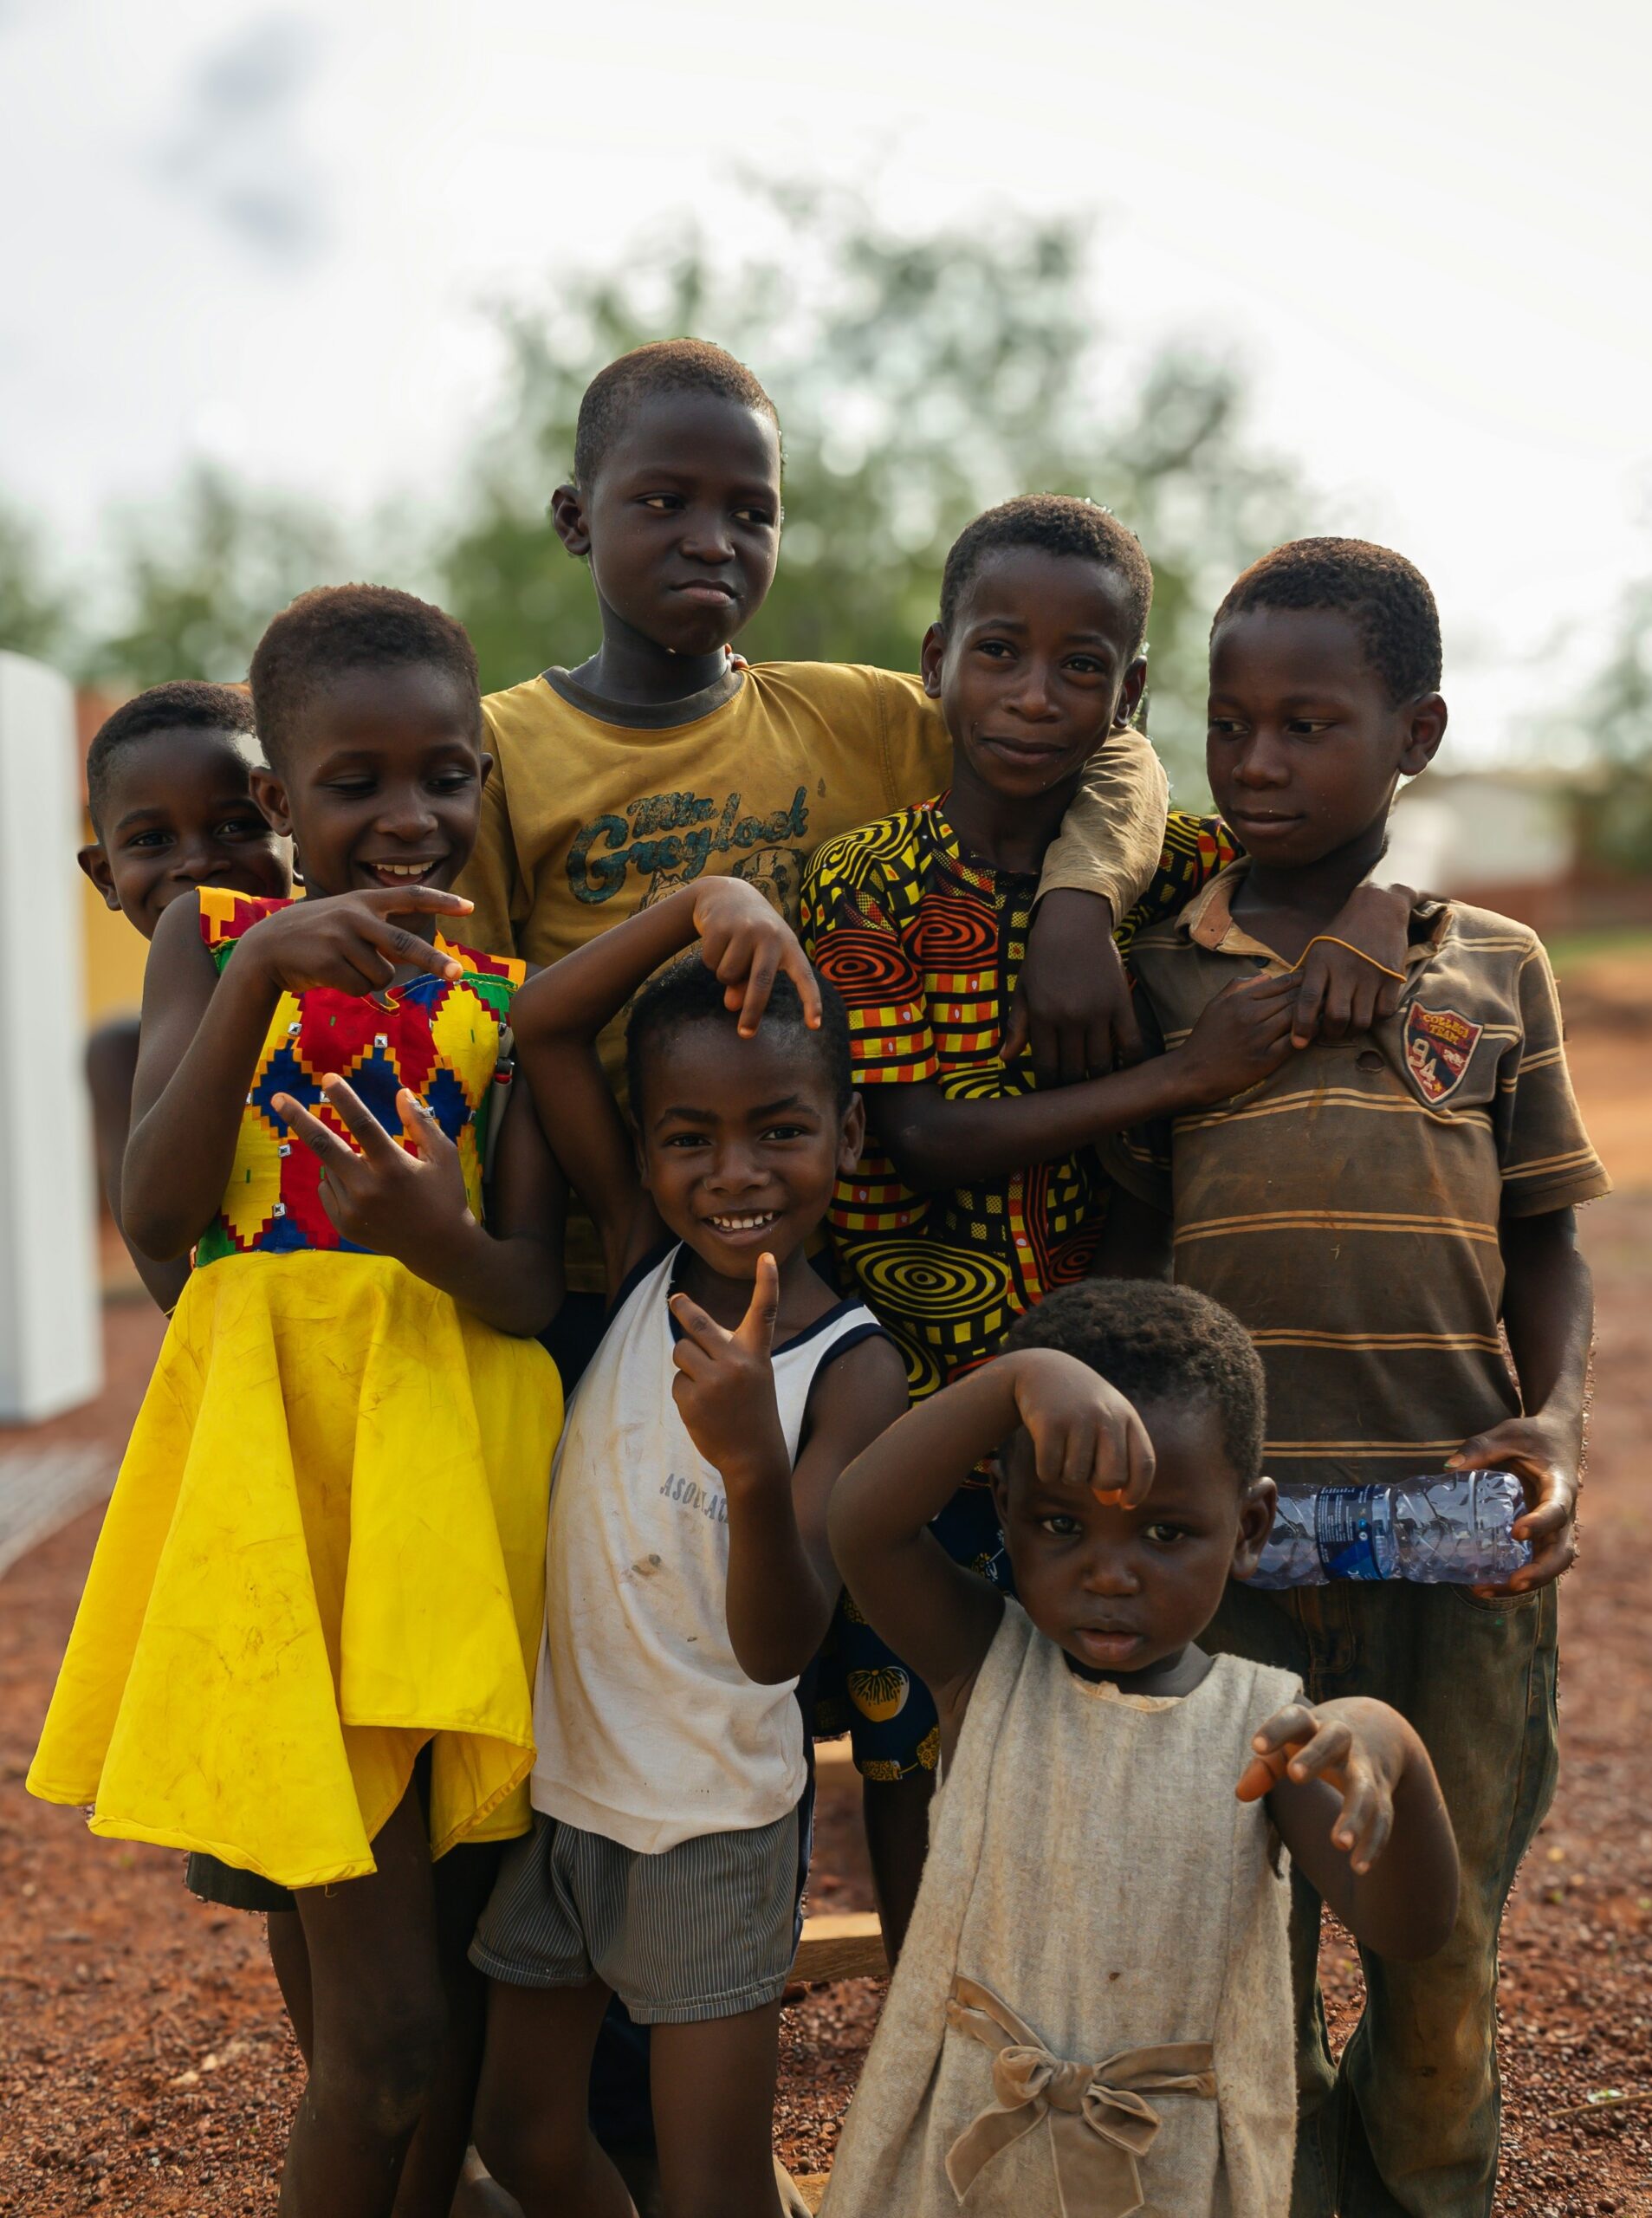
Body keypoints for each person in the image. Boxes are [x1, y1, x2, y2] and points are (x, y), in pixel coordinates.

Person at [799, 494, 1414, 1953]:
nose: (1033, 694)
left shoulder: (1188, 870)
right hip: (920, 1388)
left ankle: (1107, 2012)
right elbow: (919, 1139)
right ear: (938, 657)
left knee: (1109, 1727)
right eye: (998, 652)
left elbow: (1326, 870)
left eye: (1084, 668)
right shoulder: (859, 883)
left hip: (1117, 1417)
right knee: (919, 1742)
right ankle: (926, 2014)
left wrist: (1384, 907)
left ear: (1130, 696)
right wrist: (1182, 1073)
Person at [29, 586, 567, 2218]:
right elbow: (158, 1213)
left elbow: (532, 1281)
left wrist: (439, 1237)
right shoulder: (219, 949)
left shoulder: (493, 987)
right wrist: (260, 958)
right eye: (355, 785)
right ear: (288, 806)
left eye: (443, 778)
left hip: (447, 1500)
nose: (407, 818)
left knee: (451, 1979)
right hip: (286, 1498)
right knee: (384, 2026)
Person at [1096, 537, 1610, 2217]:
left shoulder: (1494, 969)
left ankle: (1424, 2193)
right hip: (1228, 1540)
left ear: (1415, 732)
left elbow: (1543, 1238)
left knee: (1435, 1938)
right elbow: (1121, 1236)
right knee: (1232, 1938)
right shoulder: (1163, 968)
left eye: (1305, 722)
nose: (1252, 761)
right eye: (1227, 723)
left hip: (1453, 1539)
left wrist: (1551, 1419)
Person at [456, 338, 1176, 1382]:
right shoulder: (495, 752)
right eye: (664, 503)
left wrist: (1077, 900)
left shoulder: (857, 717)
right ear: (575, 519)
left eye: (751, 513)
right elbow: (474, 1026)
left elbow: (1109, 744)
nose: (711, 541)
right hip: (598, 1265)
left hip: (833, 1267)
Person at [820, 1279, 1457, 2218]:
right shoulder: (979, 1660)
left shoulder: (1269, 1733)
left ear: (1245, 1528)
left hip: (1162, 2171)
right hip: (970, 2145)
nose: (1109, 1572)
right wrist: (1015, 1381)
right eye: (1060, 1524)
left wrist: (1394, 1744)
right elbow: (858, 1523)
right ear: (1004, 1507)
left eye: (1165, 1532)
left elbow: (1408, 1930)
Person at [468, 875, 910, 2218]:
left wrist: (747, 1465)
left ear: (844, 1131)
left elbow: (781, 1646)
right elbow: (542, 1029)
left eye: (779, 1129)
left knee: (716, 2185)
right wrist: (696, 905)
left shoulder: (852, 1370)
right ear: (649, 1154)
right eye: (688, 1139)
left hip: (713, 1823)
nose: (733, 1174)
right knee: (525, 2135)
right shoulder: (639, 1260)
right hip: (563, 1799)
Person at [76, 679, 293, 1312]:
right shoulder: (121, 1053)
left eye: (235, 825)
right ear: (106, 877)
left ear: (290, 826)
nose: (197, 862)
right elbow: (175, 1282)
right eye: (151, 840)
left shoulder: (379, 1003)